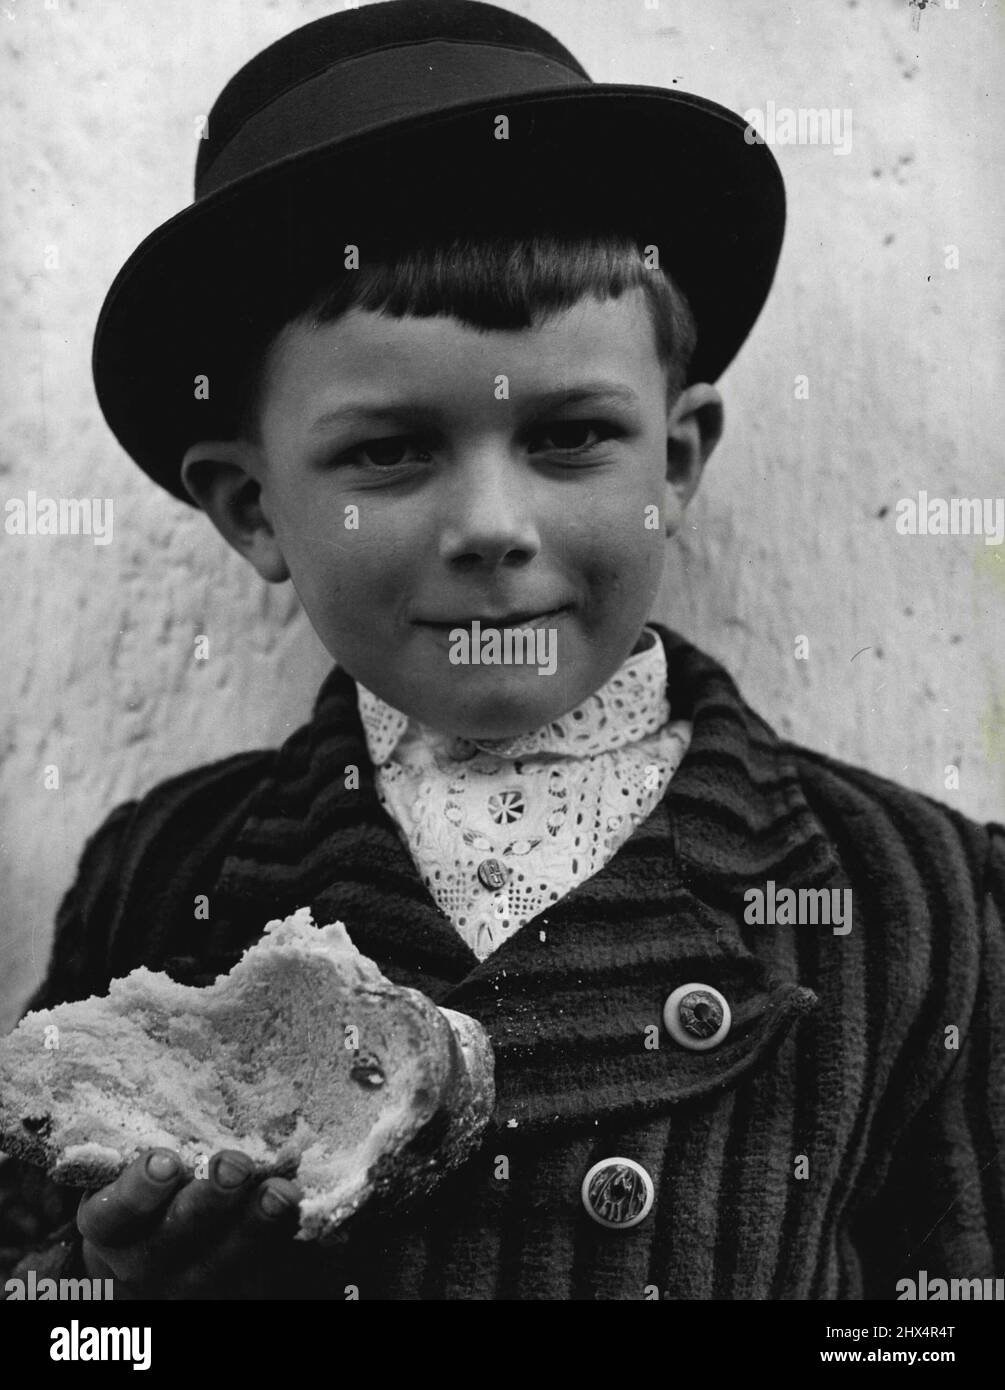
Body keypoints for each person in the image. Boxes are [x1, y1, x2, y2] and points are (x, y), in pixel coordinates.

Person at [1, 0, 1002, 1301]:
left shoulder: (905, 890)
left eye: (571, 435)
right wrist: (112, 1296)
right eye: (390, 450)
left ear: (677, 458)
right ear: (254, 509)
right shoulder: (165, 879)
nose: (490, 527)